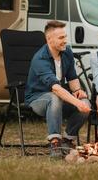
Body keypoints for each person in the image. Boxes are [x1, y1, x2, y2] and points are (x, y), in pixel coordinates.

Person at [24, 20, 91, 158]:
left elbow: (72, 78)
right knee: (55, 98)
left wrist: (78, 91)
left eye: (65, 36)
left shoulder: (67, 52)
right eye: (61, 38)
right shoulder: (40, 59)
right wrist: (76, 103)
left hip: (59, 98)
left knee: (86, 103)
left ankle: (67, 140)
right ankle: (55, 143)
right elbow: (56, 89)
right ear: (49, 39)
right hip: (38, 99)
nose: (65, 41)